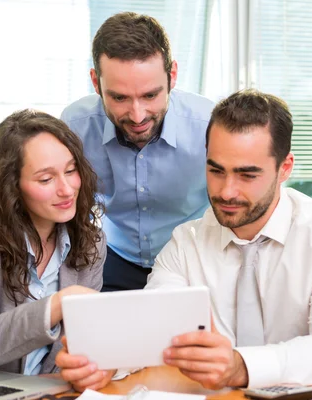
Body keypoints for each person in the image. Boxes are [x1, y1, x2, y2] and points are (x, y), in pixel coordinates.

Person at [55, 89, 312, 390]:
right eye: (216, 170)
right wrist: (109, 361)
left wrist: (241, 366)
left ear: (284, 168)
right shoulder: (187, 243)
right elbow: (150, 331)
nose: (226, 191)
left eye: (247, 175)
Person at [0, 109, 106, 375]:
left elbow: (83, 345)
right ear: (12, 186)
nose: (66, 189)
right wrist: (58, 304)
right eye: (46, 179)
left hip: (53, 392)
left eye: (71, 170)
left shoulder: (91, 242)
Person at [61, 12, 215, 291]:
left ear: (173, 76)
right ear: (96, 83)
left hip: (192, 260)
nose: (137, 115)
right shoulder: (73, 127)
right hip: (111, 258)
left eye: (150, 95)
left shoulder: (211, 127)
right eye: (119, 97)